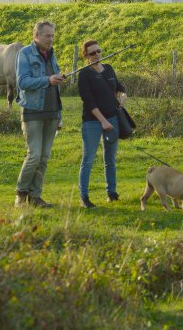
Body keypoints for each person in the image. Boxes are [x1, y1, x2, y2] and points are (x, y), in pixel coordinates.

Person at [14, 20, 66, 208]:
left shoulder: (52, 54)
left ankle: (35, 197)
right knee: (34, 155)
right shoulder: (25, 53)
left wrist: (59, 114)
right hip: (33, 112)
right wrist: (48, 80)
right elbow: (23, 82)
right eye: (47, 35)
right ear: (36, 35)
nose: (51, 39)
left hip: (52, 112)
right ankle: (21, 195)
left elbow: (54, 84)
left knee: (44, 158)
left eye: (52, 35)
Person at [76, 39, 127, 208]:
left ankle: (111, 193)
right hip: (93, 122)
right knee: (88, 159)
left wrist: (123, 95)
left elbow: (119, 86)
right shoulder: (84, 74)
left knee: (110, 159)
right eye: (92, 53)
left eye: (99, 51)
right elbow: (89, 102)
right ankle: (84, 197)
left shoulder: (109, 68)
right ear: (86, 56)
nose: (97, 55)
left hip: (113, 118)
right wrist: (103, 121)